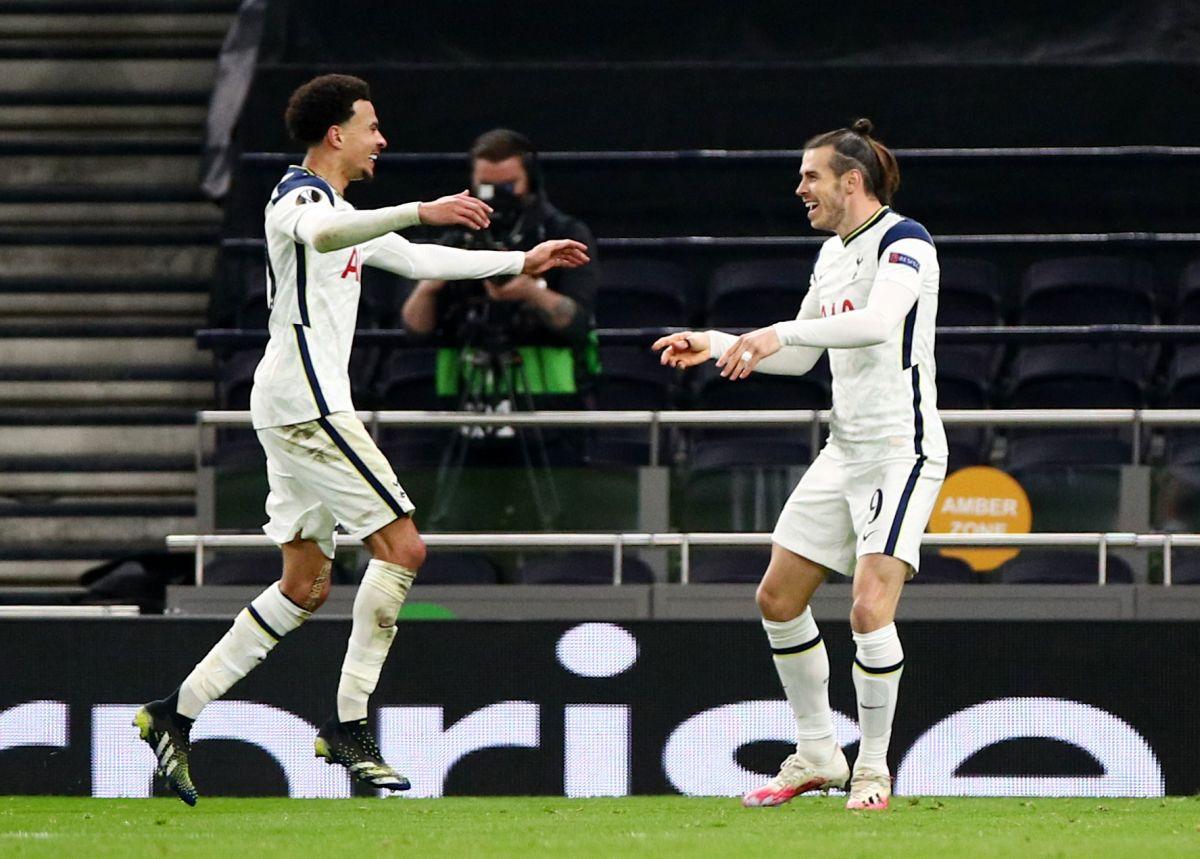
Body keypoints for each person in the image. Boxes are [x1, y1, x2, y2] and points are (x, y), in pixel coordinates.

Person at [133, 74, 588, 806]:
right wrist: (420, 207)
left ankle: (174, 713)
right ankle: (348, 723)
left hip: (288, 404)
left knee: (305, 584)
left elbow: (414, 260)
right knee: (404, 548)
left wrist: (518, 261)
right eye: (371, 126)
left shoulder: (338, 207)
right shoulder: (301, 199)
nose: (382, 139)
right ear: (336, 134)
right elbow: (324, 233)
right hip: (308, 404)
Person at [653, 118, 945, 812]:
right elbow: (804, 354)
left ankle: (872, 769)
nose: (800, 188)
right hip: (843, 452)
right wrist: (722, 341)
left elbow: (877, 323)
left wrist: (775, 331)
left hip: (898, 450)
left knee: (870, 610)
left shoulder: (906, 241)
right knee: (777, 598)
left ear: (851, 181)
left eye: (810, 176)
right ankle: (819, 752)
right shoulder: (831, 256)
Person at [400, 128, 599, 405]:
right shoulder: (455, 238)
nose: (495, 197)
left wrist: (532, 292)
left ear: (530, 180)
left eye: (506, 187)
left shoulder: (561, 234)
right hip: (464, 397)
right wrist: (430, 286)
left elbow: (580, 324)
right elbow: (414, 331)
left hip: (546, 399)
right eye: (486, 187)